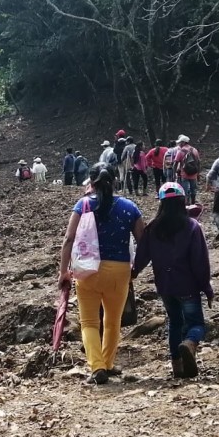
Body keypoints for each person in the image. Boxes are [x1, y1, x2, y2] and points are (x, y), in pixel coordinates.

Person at [57, 162, 145, 385]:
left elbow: (68, 239)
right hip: (119, 271)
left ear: (91, 182)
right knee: (113, 320)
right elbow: (144, 242)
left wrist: (63, 272)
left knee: (88, 322)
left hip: (87, 271)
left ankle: (97, 368)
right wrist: (136, 269)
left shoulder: (83, 205)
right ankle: (107, 363)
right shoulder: (129, 207)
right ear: (114, 181)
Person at [132, 182, 213, 379]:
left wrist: (132, 274)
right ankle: (190, 343)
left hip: (165, 286)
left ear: (161, 203)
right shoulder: (192, 227)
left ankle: (177, 366)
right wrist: (206, 287)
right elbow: (200, 261)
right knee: (196, 325)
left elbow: (142, 256)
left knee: (175, 322)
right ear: (182, 201)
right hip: (188, 285)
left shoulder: (152, 228)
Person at [173, 134, 202, 205]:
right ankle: (193, 203)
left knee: (185, 190)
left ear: (183, 142)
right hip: (194, 174)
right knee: (193, 190)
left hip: (184, 174)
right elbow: (198, 162)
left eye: (180, 142)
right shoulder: (194, 150)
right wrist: (198, 173)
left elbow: (175, 163)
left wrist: (174, 174)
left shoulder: (181, 151)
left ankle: (186, 204)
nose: (179, 144)